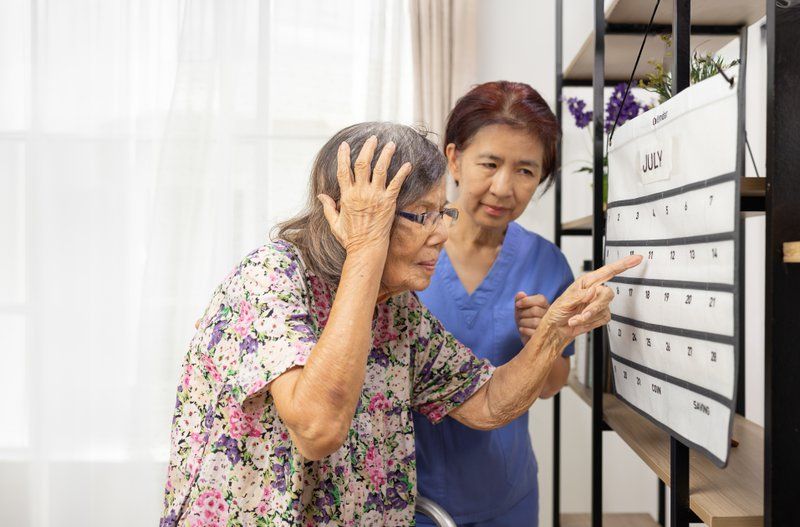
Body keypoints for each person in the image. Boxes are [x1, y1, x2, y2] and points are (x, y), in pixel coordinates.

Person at [159, 121, 640, 526]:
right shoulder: (269, 278)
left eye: (443, 212)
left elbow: (488, 403)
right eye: (424, 215)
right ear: (356, 215)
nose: (444, 232)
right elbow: (317, 428)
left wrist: (554, 332)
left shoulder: (397, 309)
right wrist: (365, 248)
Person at [414, 81, 572, 526]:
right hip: (406, 499)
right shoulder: (406, 252)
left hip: (507, 500)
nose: (504, 188)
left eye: (526, 170)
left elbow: (551, 384)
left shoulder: (546, 263)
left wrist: (543, 341)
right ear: (454, 160)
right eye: (490, 163)